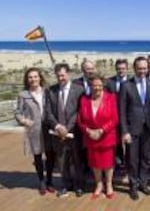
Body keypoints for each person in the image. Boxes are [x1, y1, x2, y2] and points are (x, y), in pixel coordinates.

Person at [119, 56, 150, 200]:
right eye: (140, 68)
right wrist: (124, 131)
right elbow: (121, 110)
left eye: (145, 68)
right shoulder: (126, 85)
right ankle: (133, 186)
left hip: (147, 128)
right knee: (132, 160)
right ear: (134, 69)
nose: (142, 71)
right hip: (132, 129)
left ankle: (143, 183)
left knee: (145, 158)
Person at [46, 63, 85, 198]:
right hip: (57, 134)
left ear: (68, 74)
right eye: (58, 76)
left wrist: (67, 128)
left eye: (62, 75)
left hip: (74, 132)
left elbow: (79, 112)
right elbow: (48, 112)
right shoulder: (51, 90)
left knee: (77, 161)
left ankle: (79, 186)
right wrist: (57, 127)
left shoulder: (79, 89)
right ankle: (66, 185)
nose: (60, 78)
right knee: (62, 162)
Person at [77, 75, 119, 199]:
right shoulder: (84, 100)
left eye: (99, 85)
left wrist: (101, 130)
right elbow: (80, 120)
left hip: (106, 135)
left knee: (108, 163)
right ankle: (99, 184)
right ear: (90, 86)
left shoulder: (111, 98)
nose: (97, 87)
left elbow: (114, 119)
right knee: (95, 162)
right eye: (94, 85)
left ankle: (109, 184)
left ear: (103, 86)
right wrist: (88, 130)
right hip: (91, 137)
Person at [15, 67, 55, 195]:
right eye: (30, 77)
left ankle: (49, 180)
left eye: (35, 76)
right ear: (27, 80)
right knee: (37, 156)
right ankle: (42, 181)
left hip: (48, 128)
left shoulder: (47, 91)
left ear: (40, 78)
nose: (33, 79)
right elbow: (17, 113)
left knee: (50, 155)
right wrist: (24, 121)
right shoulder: (23, 95)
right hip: (34, 129)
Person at [106, 58, 129, 167]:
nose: (121, 71)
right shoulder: (109, 82)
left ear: (127, 69)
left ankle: (129, 159)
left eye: (123, 68)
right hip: (113, 114)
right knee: (116, 138)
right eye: (119, 69)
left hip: (128, 115)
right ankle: (119, 158)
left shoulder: (132, 81)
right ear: (116, 69)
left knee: (128, 138)